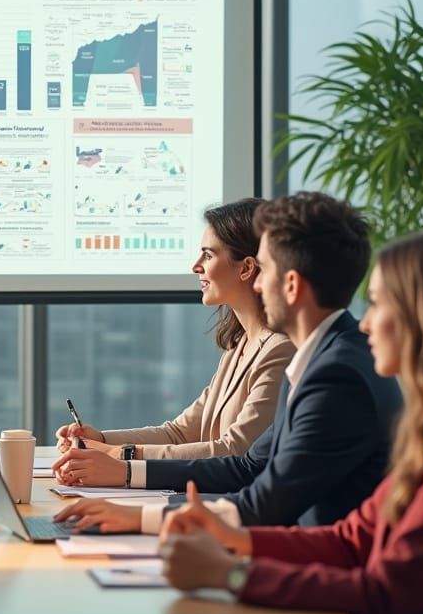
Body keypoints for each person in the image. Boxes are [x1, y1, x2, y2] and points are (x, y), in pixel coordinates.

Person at [88, 230, 423, 614]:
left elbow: (384, 594)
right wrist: (232, 540)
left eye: (378, 305)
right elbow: (351, 539)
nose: (367, 324)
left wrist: (233, 573)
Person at [54, 192, 402, 539]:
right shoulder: (322, 357)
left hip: (320, 567)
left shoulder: (336, 375)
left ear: (291, 285)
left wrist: (136, 507)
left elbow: (264, 502)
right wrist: (121, 472)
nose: (258, 283)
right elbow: (247, 467)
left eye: (264, 269)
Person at [53, 198, 292, 482]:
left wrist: (119, 455)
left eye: (208, 255)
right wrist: (101, 438)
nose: (195, 266)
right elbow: (180, 432)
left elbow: (236, 450)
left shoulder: (280, 350)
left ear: (246, 268)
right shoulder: (239, 346)